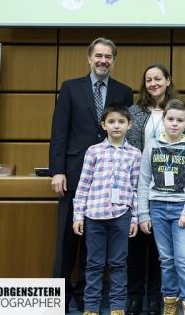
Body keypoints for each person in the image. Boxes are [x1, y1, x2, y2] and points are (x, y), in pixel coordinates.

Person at [49, 37, 133, 312]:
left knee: (93, 246)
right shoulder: (71, 88)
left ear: (114, 60)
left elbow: (123, 132)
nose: (103, 61)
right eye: (98, 56)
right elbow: (59, 131)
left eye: (108, 56)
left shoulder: (123, 92)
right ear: (89, 58)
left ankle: (88, 299)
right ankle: (58, 298)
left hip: (108, 182)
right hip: (75, 177)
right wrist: (58, 171)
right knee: (67, 240)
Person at [138, 99, 185, 315]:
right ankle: (170, 303)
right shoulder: (152, 146)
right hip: (157, 208)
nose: (174, 124)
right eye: (170, 119)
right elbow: (143, 181)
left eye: (180, 120)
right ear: (163, 121)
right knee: (166, 260)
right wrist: (142, 214)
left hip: (182, 210)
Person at [73, 105, 141, 315]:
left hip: (122, 215)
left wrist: (135, 218)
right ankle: (91, 308)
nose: (116, 125)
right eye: (111, 121)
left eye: (121, 122)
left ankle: (117, 308)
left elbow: (136, 187)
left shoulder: (135, 154)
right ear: (104, 125)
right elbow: (83, 184)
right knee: (93, 264)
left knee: (119, 263)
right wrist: (78, 215)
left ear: (129, 125)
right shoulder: (94, 151)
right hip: (94, 214)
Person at [126, 64, 179, 315]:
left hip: (169, 190)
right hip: (139, 184)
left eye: (158, 78)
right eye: (148, 80)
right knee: (137, 245)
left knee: (162, 249)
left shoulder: (177, 110)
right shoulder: (134, 112)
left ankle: (156, 299)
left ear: (168, 80)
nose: (153, 83)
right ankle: (135, 297)